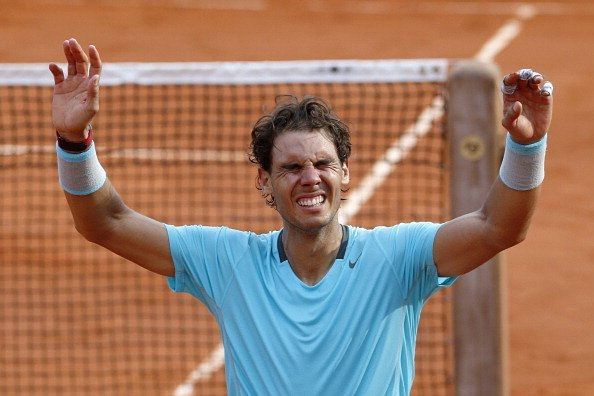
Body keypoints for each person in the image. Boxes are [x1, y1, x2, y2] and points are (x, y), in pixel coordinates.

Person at [50, 38, 553, 395]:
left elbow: (498, 227)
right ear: (265, 183)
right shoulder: (228, 262)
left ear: (345, 174)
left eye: (322, 164)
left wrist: (526, 147)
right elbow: (106, 222)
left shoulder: (400, 257)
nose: (310, 177)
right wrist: (74, 143)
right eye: (291, 167)